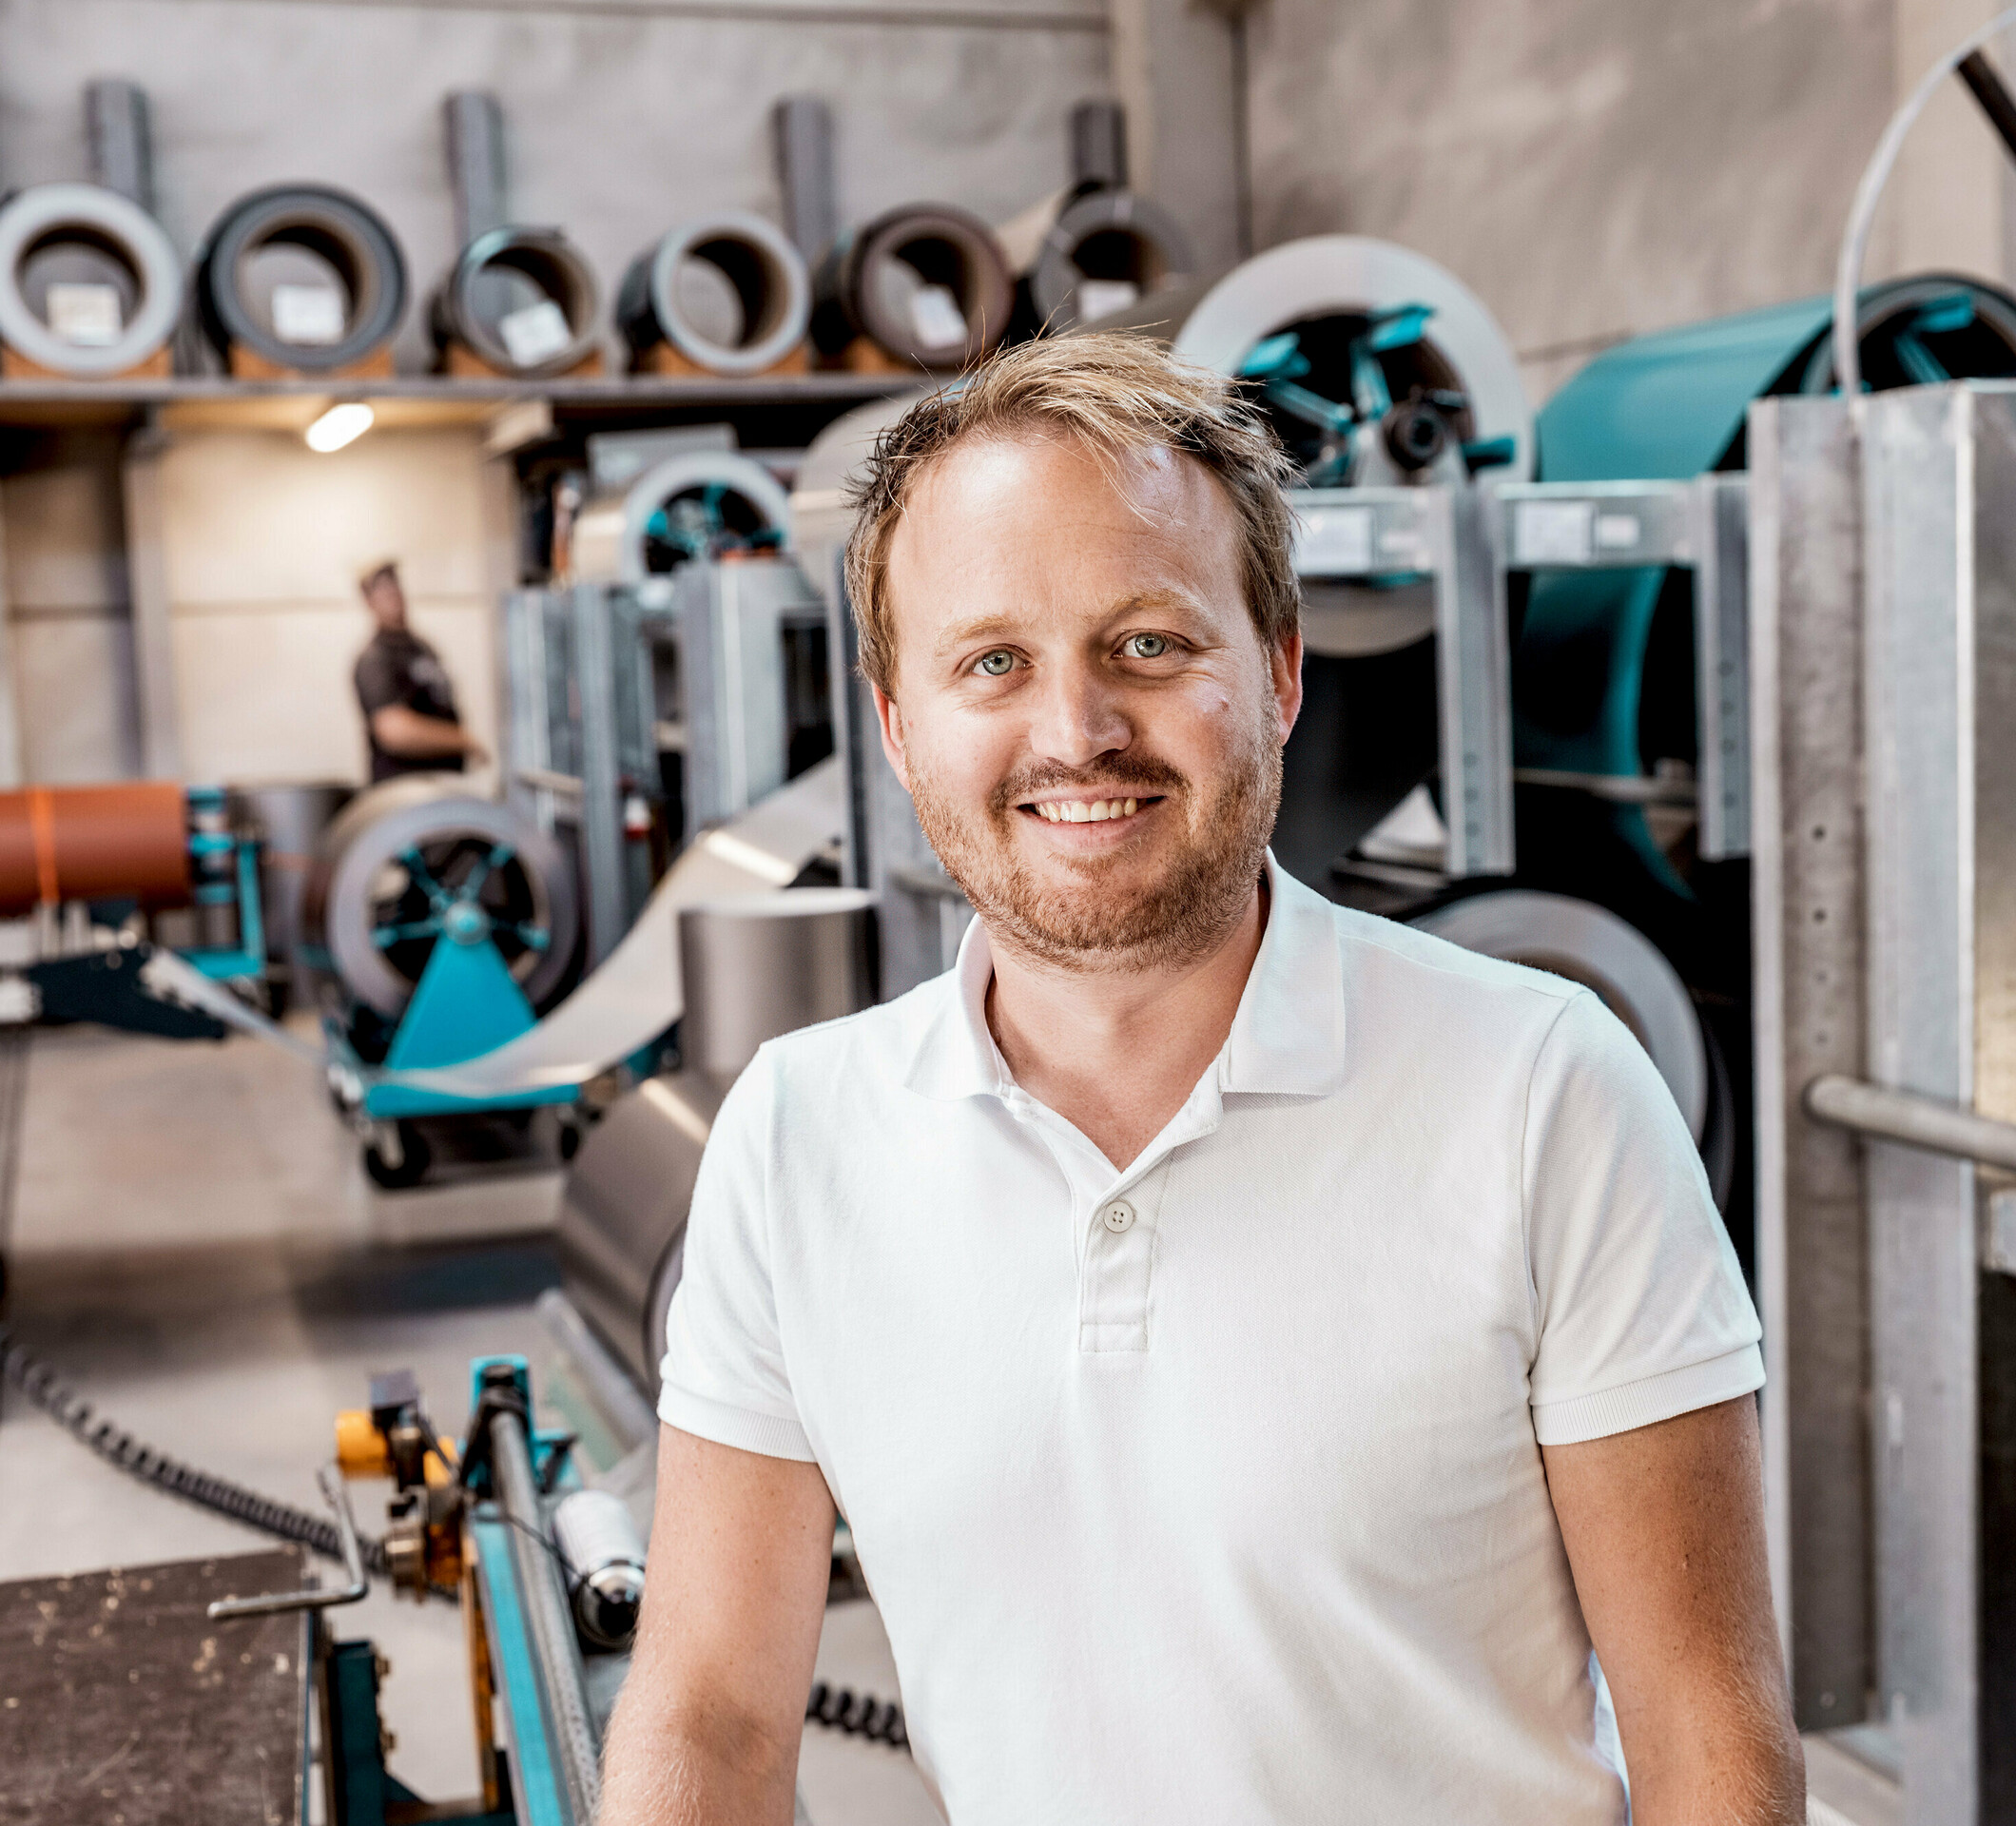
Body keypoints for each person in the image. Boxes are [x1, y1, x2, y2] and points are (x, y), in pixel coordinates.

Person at [598, 336, 1802, 1824]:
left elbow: (1706, 1730)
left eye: (1151, 646)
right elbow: (712, 1716)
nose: (1077, 733)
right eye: (993, 663)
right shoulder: (797, 1136)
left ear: (1281, 672)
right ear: (900, 728)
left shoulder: (1545, 1092)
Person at [351, 559, 484, 782]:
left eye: (394, 583)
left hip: (440, 781)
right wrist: (463, 740)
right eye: (381, 587)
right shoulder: (375, 657)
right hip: (404, 786)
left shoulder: (421, 647)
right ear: (368, 600)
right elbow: (394, 730)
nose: (391, 592)